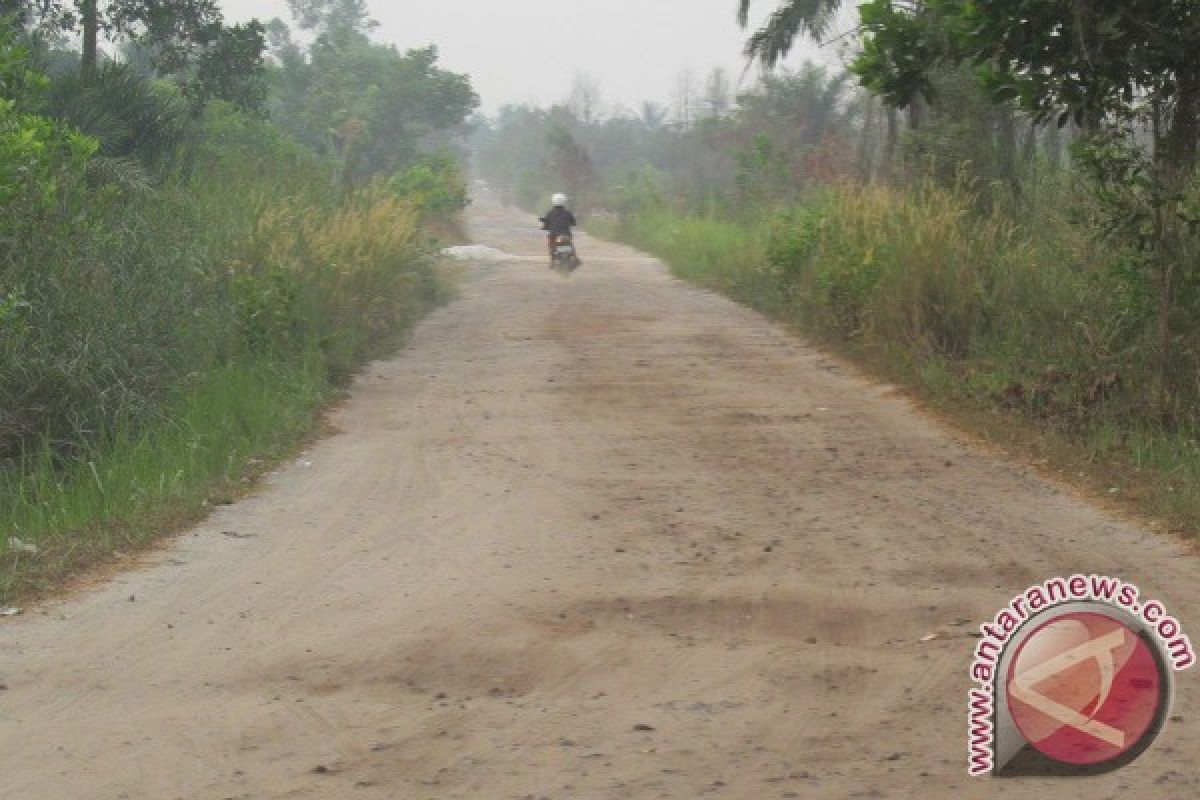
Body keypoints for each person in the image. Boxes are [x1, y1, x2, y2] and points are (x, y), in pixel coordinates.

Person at [539, 193, 578, 264]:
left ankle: (552, 260)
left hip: (554, 235)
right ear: (564, 201)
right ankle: (574, 257)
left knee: (551, 245)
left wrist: (544, 227)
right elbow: (573, 223)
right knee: (570, 243)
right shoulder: (568, 213)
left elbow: (546, 223)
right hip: (566, 234)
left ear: (553, 201)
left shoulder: (550, 213)